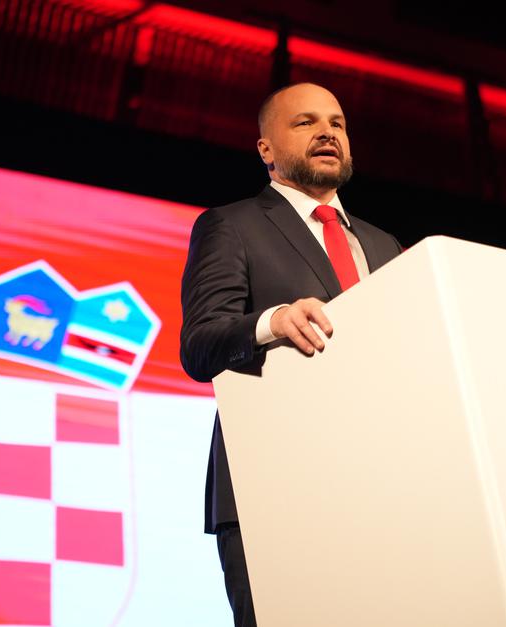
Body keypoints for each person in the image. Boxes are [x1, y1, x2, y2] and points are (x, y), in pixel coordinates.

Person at [179, 82, 402, 627]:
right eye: (305, 122)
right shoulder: (231, 225)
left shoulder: (385, 245)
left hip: (380, 491)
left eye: (337, 123)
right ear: (266, 149)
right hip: (273, 490)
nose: (327, 132)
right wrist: (272, 322)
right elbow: (199, 344)